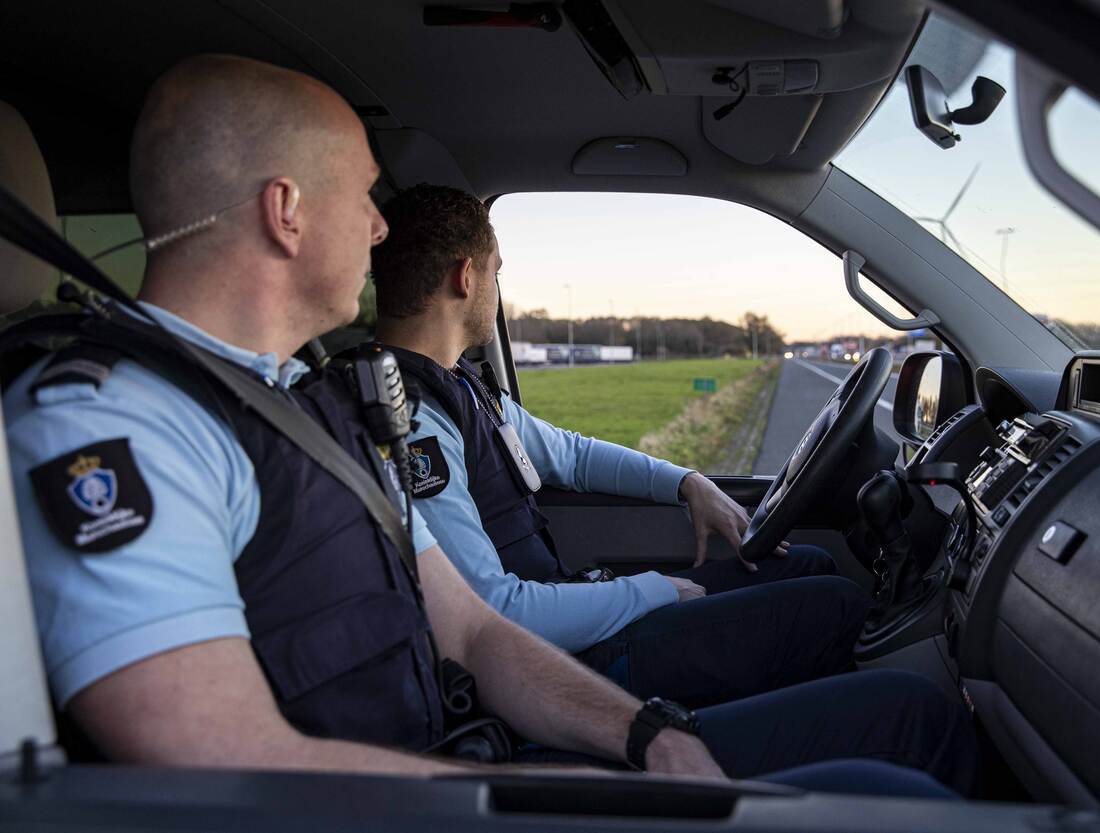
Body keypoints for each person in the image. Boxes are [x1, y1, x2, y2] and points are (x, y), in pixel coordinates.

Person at [3, 54, 974, 796]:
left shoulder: (313, 403)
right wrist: (517, 792)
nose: (380, 230)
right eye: (363, 195)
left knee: (900, 718)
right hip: (421, 798)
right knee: (900, 764)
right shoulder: (109, 422)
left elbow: (471, 627)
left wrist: (647, 733)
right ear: (286, 211)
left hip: (467, 757)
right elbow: (211, 760)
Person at [369, 184, 870, 707]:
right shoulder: (410, 420)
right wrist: (652, 590)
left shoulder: (461, 387)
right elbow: (493, 612)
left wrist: (687, 482)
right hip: (559, 664)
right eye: (496, 271)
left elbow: (572, 455)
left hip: (571, 618)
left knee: (807, 564)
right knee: (835, 607)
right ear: (466, 277)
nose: (497, 287)